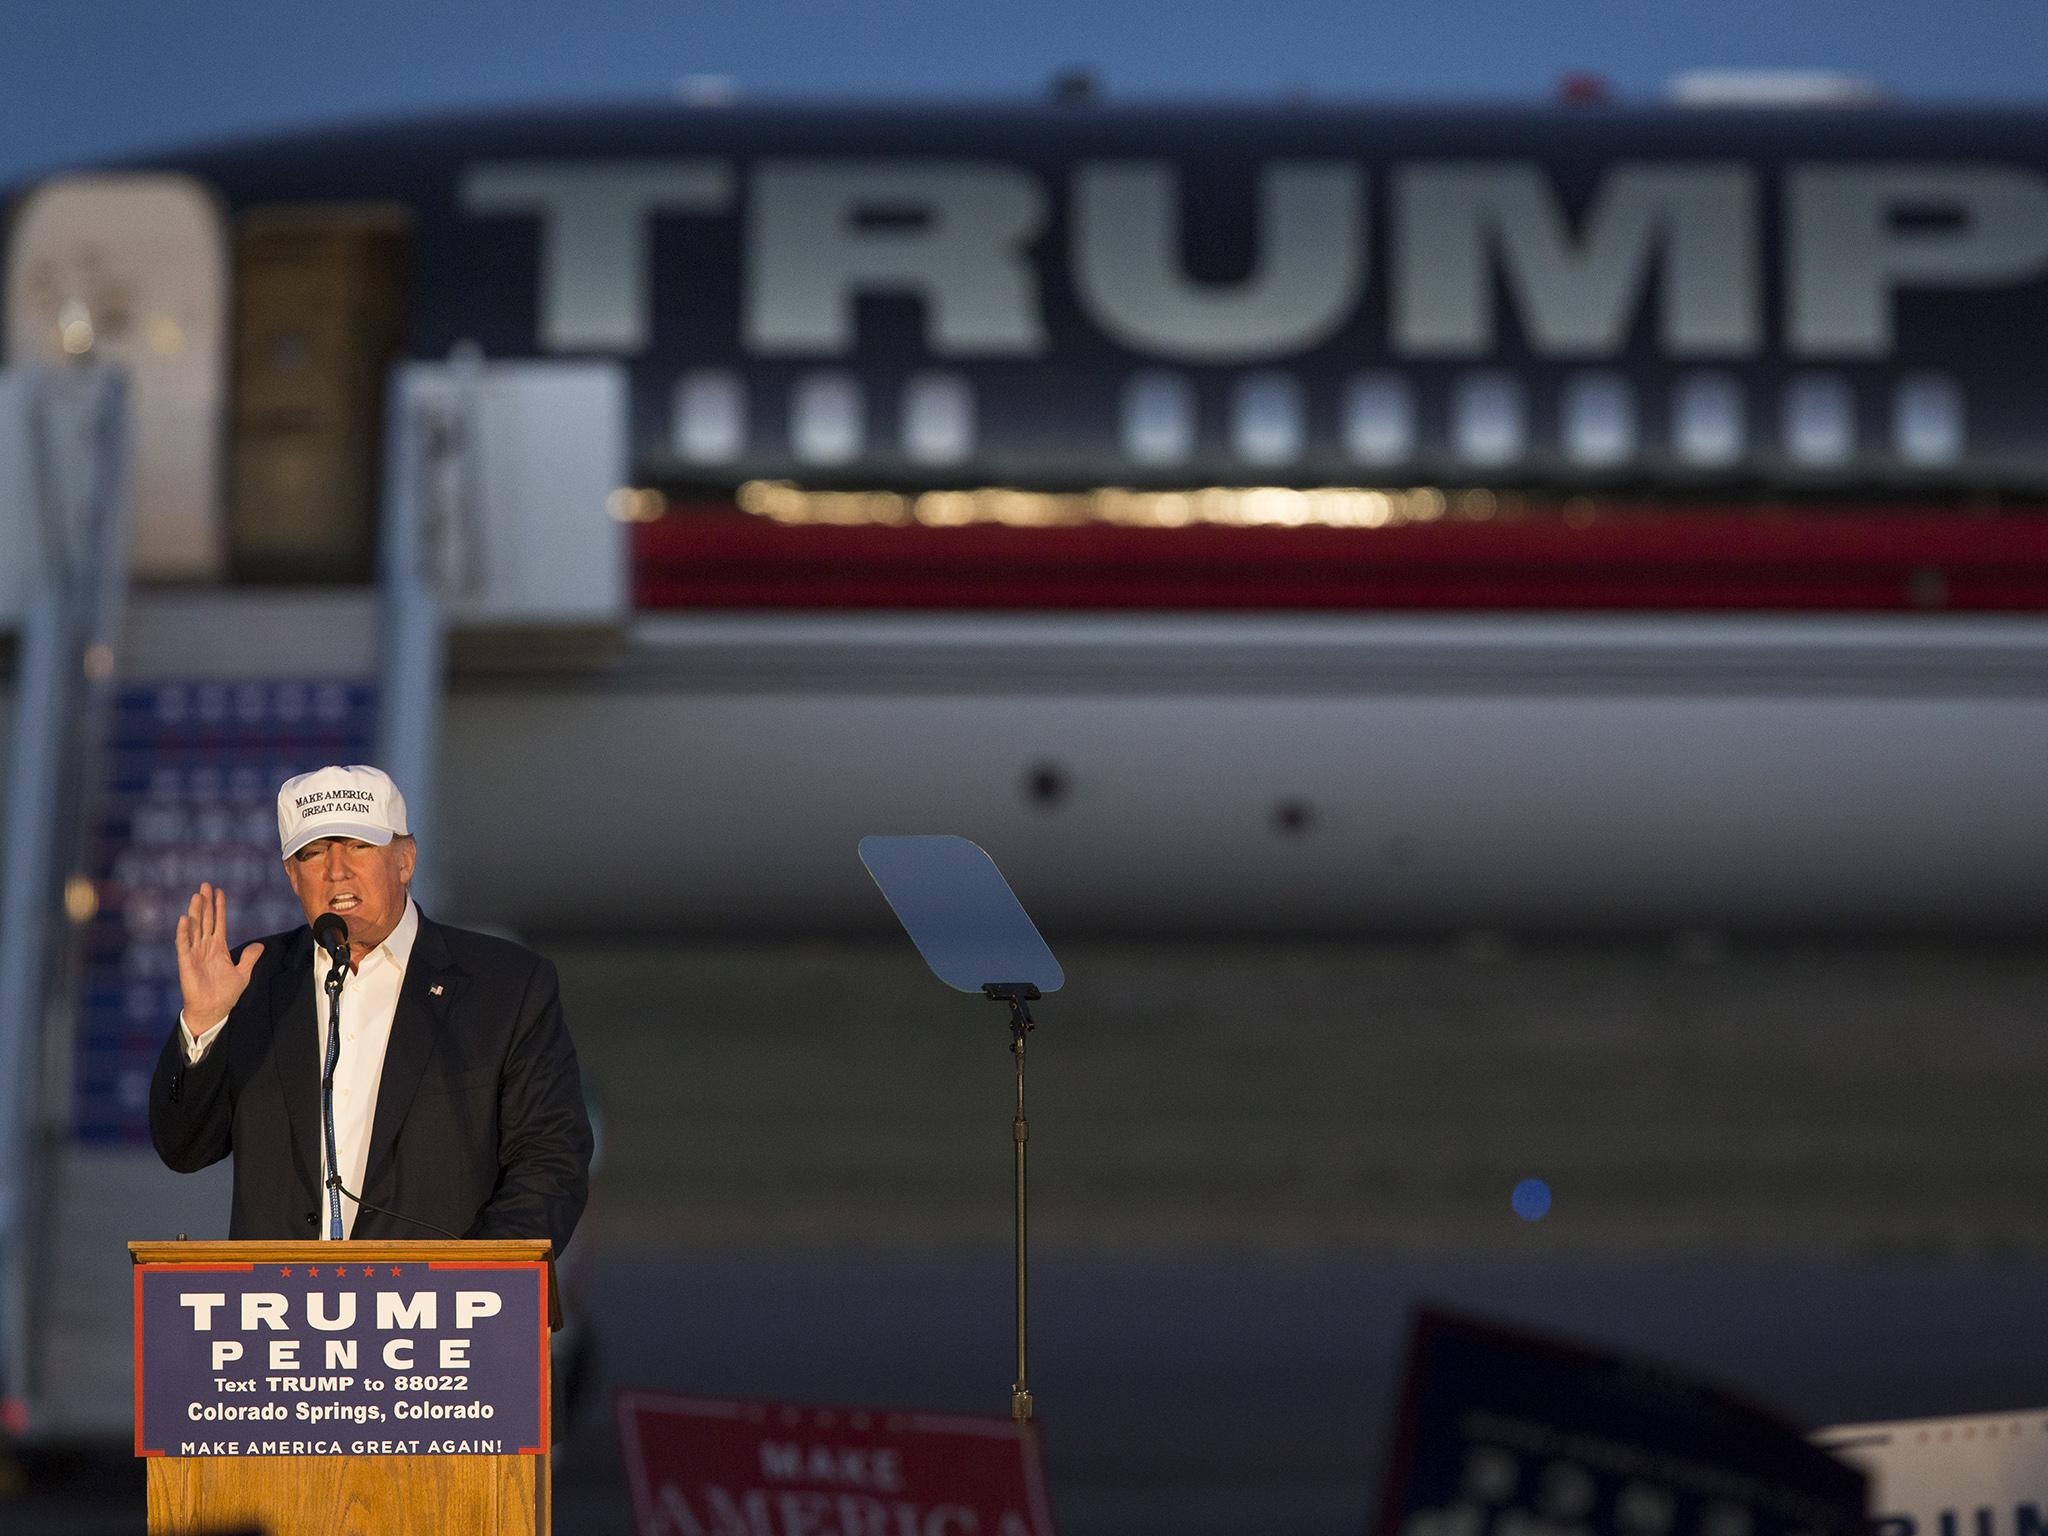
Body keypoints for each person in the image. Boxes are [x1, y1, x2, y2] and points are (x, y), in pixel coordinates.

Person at [148, 764, 593, 1255]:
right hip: (277, 1319)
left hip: (441, 1317)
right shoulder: (250, 981)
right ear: (292, 877)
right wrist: (206, 1025)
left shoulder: (505, 985)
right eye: (313, 853)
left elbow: (551, 1160)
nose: (336, 869)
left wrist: (477, 1279)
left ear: (405, 860)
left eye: (359, 846)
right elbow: (184, 1148)